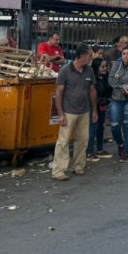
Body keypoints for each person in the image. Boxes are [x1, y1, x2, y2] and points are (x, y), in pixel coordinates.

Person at [50, 44, 97, 181]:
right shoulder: (65, 70)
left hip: (84, 110)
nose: (91, 58)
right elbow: (58, 92)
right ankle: (58, 171)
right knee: (63, 141)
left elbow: (92, 90)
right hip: (69, 111)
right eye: (89, 55)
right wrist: (60, 113)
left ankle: (78, 166)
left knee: (82, 140)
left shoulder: (89, 71)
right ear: (82, 56)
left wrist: (94, 110)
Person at [86, 57, 113, 162]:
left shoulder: (105, 77)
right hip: (94, 106)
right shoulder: (93, 79)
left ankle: (100, 149)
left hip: (102, 106)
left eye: (106, 66)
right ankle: (89, 152)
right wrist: (106, 100)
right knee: (93, 128)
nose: (105, 68)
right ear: (96, 67)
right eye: (102, 67)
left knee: (100, 128)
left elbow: (109, 90)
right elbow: (93, 95)